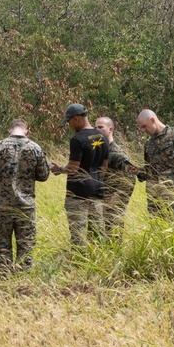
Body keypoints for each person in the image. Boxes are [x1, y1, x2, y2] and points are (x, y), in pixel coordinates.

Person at [0, 119, 51, 272]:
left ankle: (5, 277)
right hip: (25, 206)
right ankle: (22, 280)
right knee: (26, 245)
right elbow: (44, 174)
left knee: (2, 245)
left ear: (9, 130)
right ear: (27, 131)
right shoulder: (35, 148)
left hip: (2, 206)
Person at [51, 104, 109, 244]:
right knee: (96, 234)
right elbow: (104, 167)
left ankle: (78, 264)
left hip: (79, 194)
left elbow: (73, 168)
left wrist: (59, 170)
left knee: (78, 236)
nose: (69, 125)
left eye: (69, 122)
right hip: (97, 191)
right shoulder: (102, 136)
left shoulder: (77, 139)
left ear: (76, 119)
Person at [136, 109, 174, 219]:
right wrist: (138, 171)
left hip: (173, 190)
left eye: (144, 126)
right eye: (141, 127)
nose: (143, 130)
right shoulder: (148, 143)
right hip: (154, 194)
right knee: (156, 227)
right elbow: (149, 169)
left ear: (152, 120)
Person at [94, 116, 139, 237]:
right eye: (95, 127)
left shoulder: (116, 153)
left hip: (112, 204)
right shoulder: (99, 150)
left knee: (114, 237)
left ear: (110, 129)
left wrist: (117, 198)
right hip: (100, 202)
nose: (97, 130)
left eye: (100, 127)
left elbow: (131, 179)